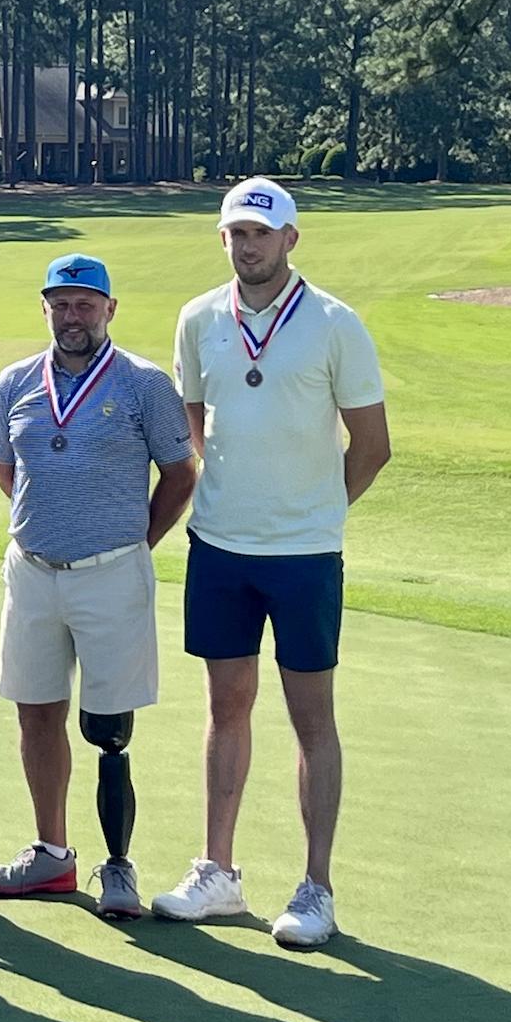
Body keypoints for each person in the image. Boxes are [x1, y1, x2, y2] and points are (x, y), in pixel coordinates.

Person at [155, 178, 389, 950]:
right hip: (220, 546)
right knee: (226, 707)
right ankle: (217, 873)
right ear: (223, 239)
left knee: (311, 718)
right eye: (235, 233)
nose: (247, 244)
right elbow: (194, 423)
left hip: (304, 556)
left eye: (261, 232)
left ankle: (316, 886)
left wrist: (317, 510)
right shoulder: (197, 318)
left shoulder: (333, 324)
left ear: (291, 239)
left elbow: (372, 444)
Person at [0, 255, 195, 919]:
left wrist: (131, 543)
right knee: (35, 711)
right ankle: (51, 855)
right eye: (60, 304)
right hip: (33, 571)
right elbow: (10, 476)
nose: (73, 316)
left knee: (108, 728)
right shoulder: (14, 383)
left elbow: (180, 475)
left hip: (112, 574)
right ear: (45, 309)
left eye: (85, 304)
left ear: (109, 309)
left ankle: (118, 865)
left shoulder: (144, 383)